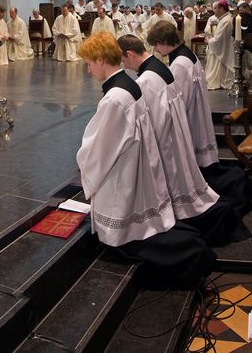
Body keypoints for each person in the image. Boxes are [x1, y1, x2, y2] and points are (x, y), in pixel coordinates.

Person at [75, 33, 215, 288]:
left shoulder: (115, 98)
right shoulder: (129, 85)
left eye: (88, 63)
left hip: (124, 175)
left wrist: (84, 162)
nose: (87, 69)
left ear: (100, 59)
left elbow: (100, 150)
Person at [117, 35, 238, 245]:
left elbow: (151, 119)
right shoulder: (158, 67)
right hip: (175, 134)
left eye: (123, 60)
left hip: (165, 142)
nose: (123, 65)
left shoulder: (146, 80)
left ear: (130, 54)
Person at [149, 21, 251, 214]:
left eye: (156, 43)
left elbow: (179, 100)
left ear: (163, 41)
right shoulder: (188, 55)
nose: (155, 48)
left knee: (196, 167)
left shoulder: (178, 64)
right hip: (198, 113)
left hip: (189, 118)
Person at [205, 0, 235, 90]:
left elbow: (218, 39)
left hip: (223, 47)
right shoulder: (224, 19)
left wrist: (209, 40)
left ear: (221, 9)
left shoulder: (226, 20)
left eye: (215, 8)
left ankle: (219, 80)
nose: (214, 11)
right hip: (222, 46)